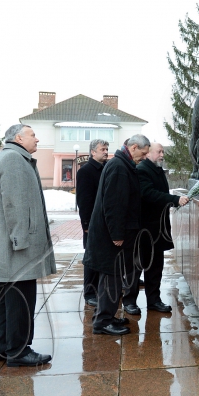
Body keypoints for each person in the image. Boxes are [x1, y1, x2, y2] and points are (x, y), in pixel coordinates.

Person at [0, 124, 55, 366]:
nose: (37, 138)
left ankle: (1, 349)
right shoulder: (14, 159)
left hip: (13, 246)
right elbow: (16, 205)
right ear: (19, 138)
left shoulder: (12, 157)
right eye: (33, 135)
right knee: (20, 301)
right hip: (18, 248)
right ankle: (19, 351)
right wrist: (21, 240)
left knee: (8, 300)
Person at [83, 134, 151, 335]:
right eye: (143, 153)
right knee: (111, 279)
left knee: (111, 278)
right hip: (111, 236)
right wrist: (117, 234)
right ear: (134, 147)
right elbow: (114, 205)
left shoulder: (121, 164)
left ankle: (106, 316)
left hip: (111, 235)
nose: (144, 158)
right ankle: (103, 322)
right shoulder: (120, 168)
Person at [122, 143, 189, 315]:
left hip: (157, 230)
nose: (162, 155)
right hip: (143, 229)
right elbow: (148, 193)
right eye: (159, 152)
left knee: (155, 268)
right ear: (149, 153)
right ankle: (129, 301)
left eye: (163, 152)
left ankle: (154, 300)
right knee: (136, 268)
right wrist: (175, 199)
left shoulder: (157, 169)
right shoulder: (143, 169)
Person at [75, 139, 109, 307]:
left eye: (107, 149)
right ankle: (89, 293)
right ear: (92, 152)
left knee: (101, 258)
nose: (105, 151)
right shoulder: (86, 171)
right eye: (102, 149)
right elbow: (83, 200)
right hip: (92, 224)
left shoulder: (106, 168)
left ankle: (101, 290)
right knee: (90, 260)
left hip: (105, 223)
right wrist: (86, 225)